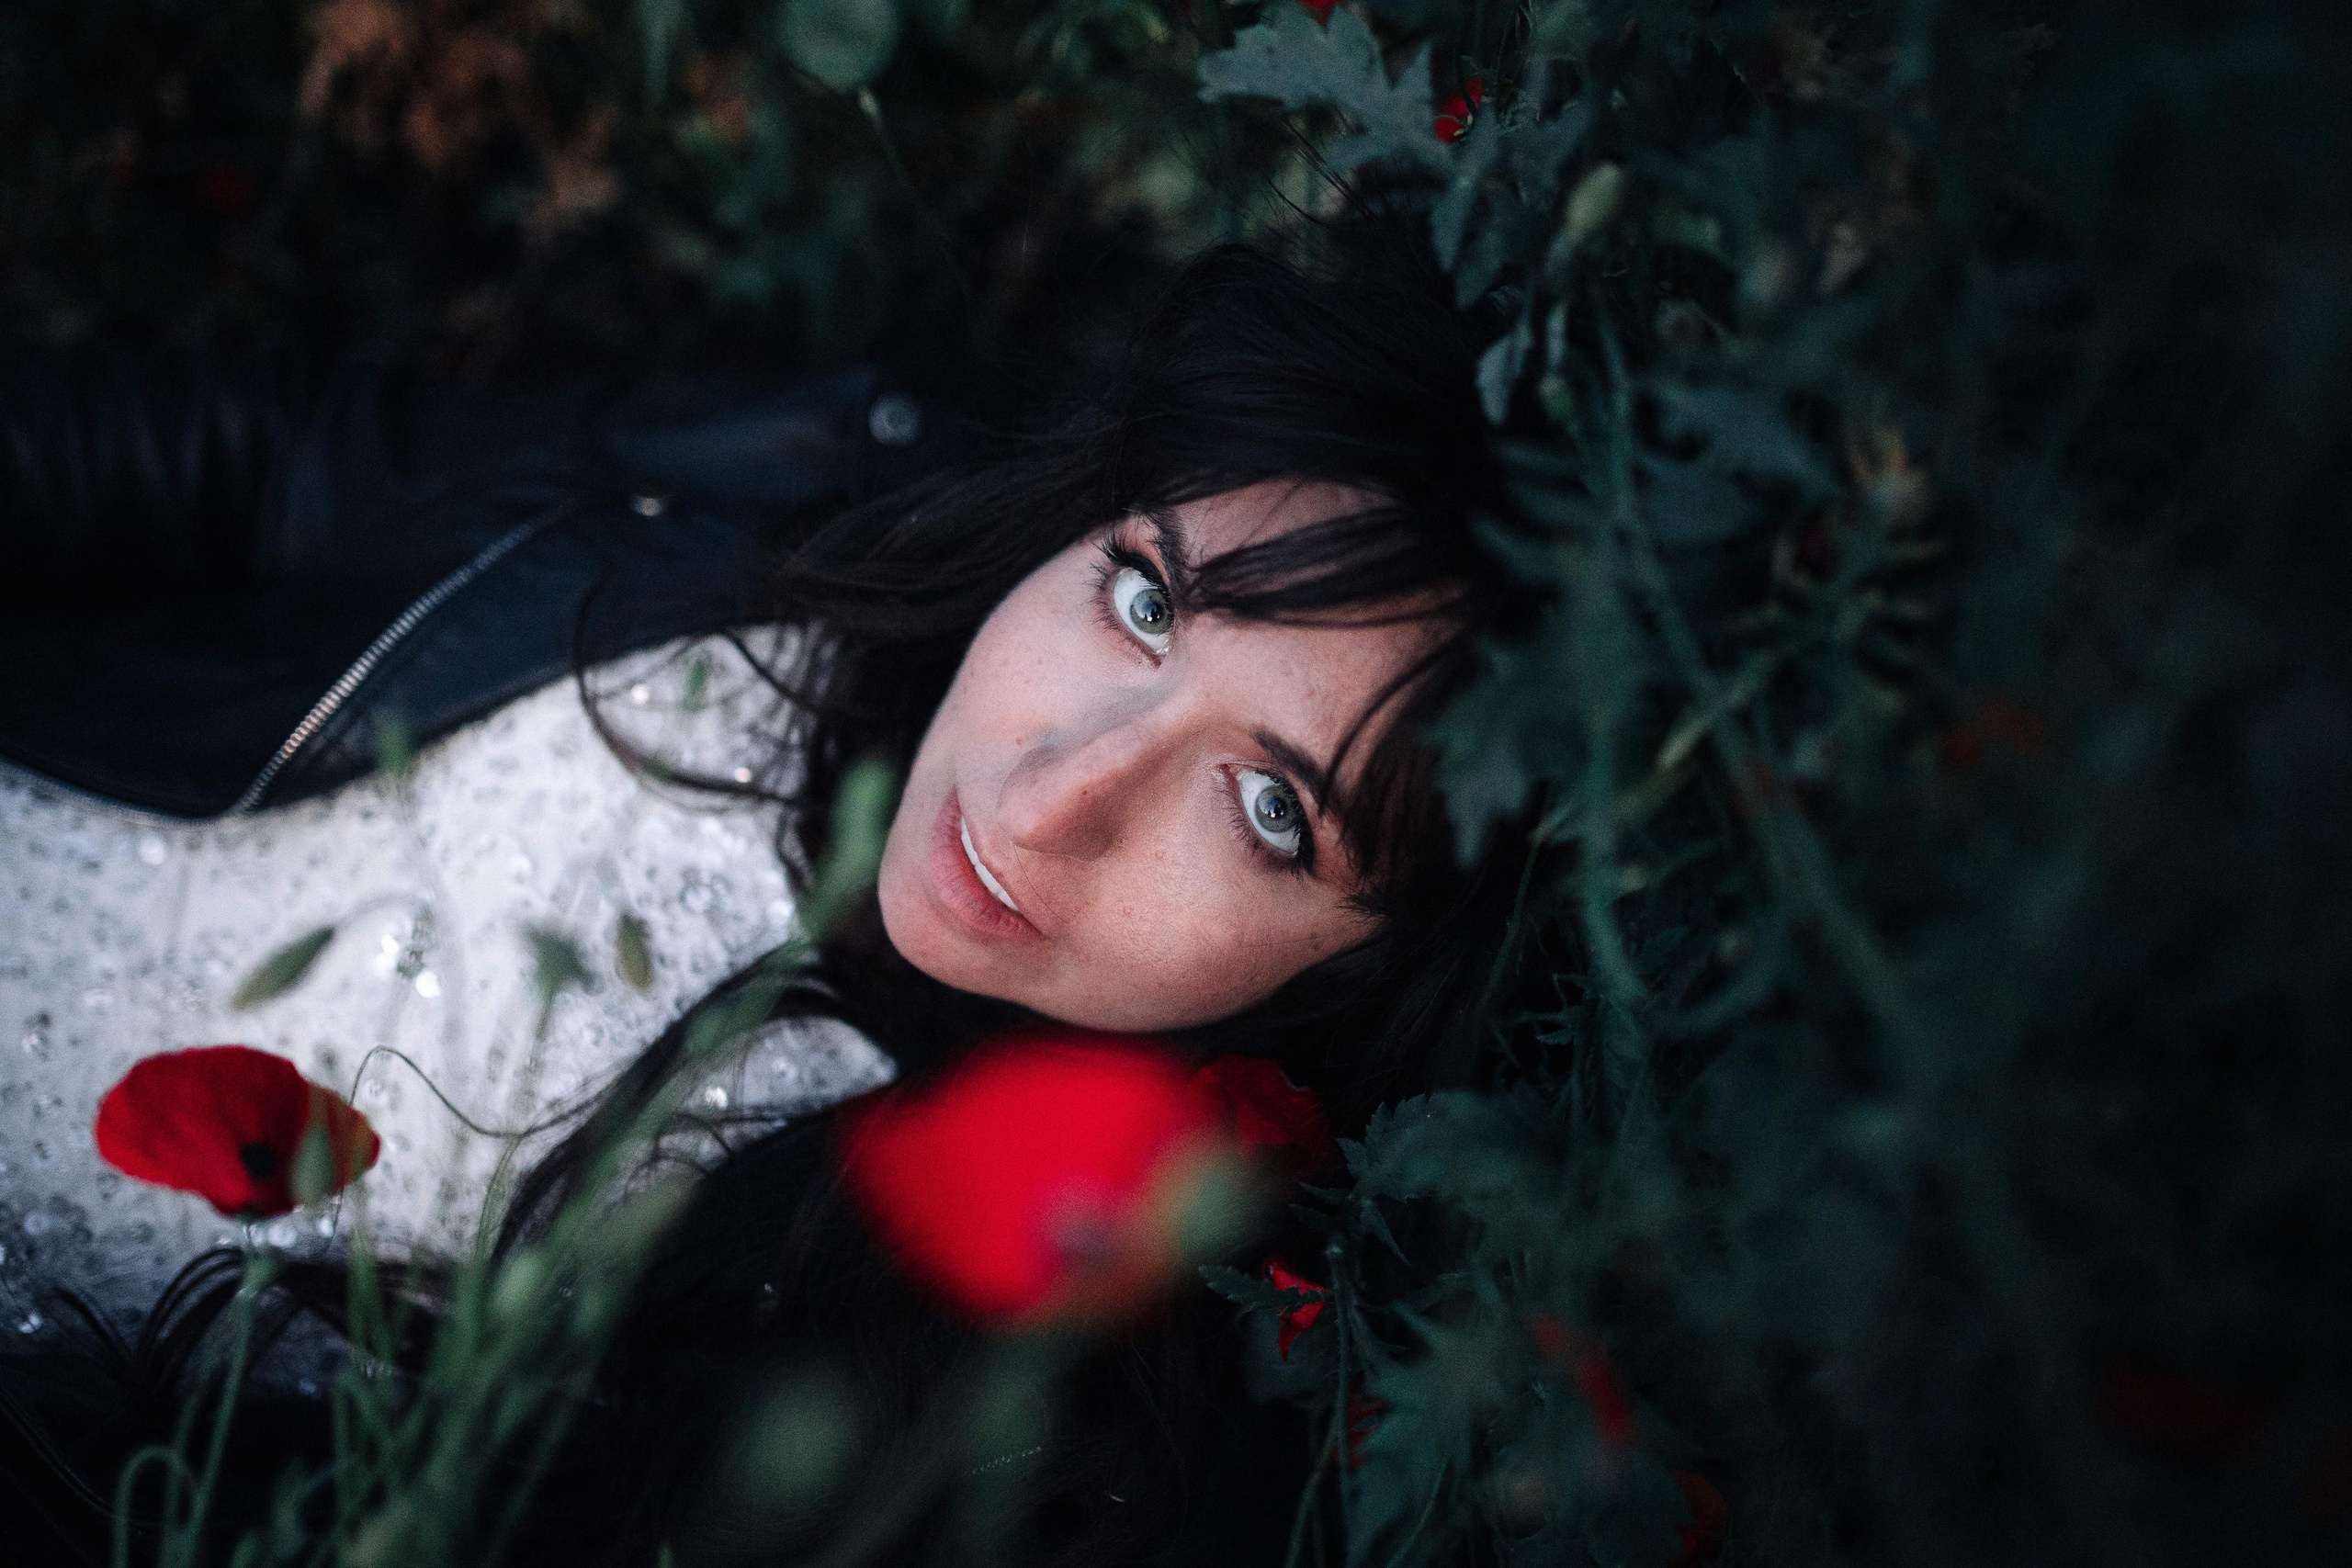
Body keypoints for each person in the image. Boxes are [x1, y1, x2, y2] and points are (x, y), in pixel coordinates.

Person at [0, 229, 1542, 1566]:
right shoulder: (809, 495)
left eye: (1274, 809)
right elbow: (261, 463)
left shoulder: (938, 1358)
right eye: (1145, 599)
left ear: (1371, 965)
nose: (1049, 797)